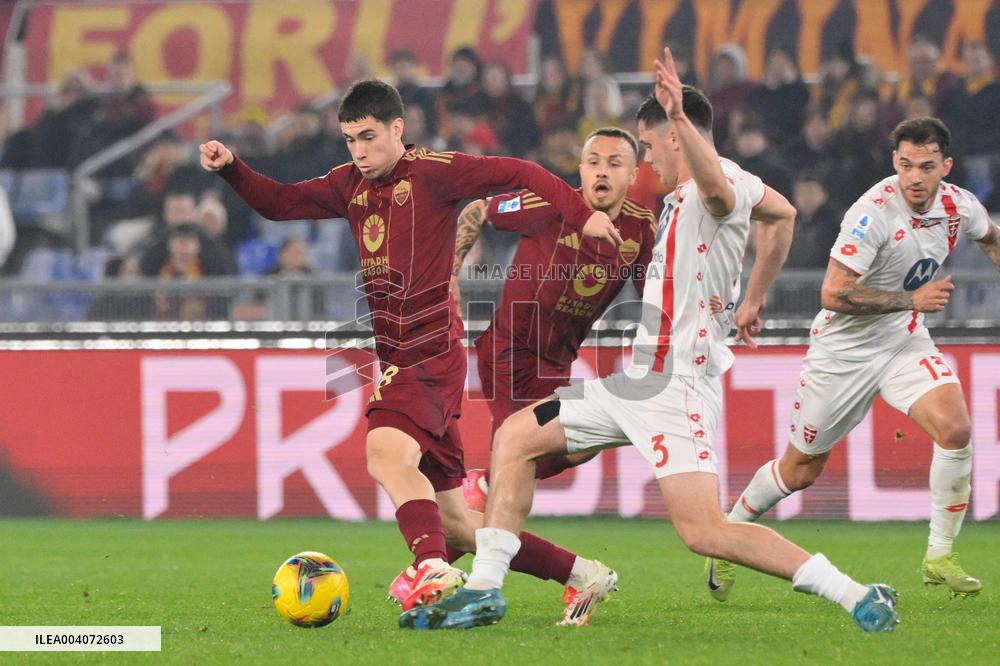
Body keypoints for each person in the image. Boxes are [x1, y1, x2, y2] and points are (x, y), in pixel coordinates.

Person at [401, 48, 898, 633]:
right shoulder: (703, 194)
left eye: (648, 145)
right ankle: (484, 589)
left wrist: (680, 120)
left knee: (704, 532)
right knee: (514, 439)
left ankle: (856, 593)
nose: (645, 162)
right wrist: (754, 297)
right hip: (637, 381)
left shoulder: (711, 191)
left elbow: (716, 189)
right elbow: (784, 215)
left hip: (677, 388)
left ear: (677, 140)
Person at [199, 79, 623, 618]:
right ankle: (583, 575)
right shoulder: (347, 184)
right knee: (457, 524)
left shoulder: (433, 172)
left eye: (369, 137)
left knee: (384, 452)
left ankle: (430, 566)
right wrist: (233, 166)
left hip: (427, 346)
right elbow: (280, 203)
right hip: (401, 352)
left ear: (398, 129)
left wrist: (580, 213)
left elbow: (520, 171)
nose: (358, 150)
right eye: (350, 139)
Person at [707, 116, 1000, 601]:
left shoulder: (958, 205)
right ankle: (729, 533)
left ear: (945, 167)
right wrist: (912, 300)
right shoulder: (872, 214)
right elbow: (832, 292)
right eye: (905, 165)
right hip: (843, 353)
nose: (915, 178)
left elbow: (989, 237)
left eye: (927, 167)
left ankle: (938, 555)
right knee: (800, 471)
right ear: (894, 163)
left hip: (903, 341)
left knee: (956, 430)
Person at [452, 129, 657, 625]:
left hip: (557, 362)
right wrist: (450, 281)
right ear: (580, 169)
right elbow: (474, 212)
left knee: (567, 451)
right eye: (592, 161)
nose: (601, 171)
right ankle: (453, 565)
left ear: (633, 174)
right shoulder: (547, 203)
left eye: (614, 162)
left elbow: (655, 299)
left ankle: (472, 525)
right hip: (507, 352)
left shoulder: (641, 231)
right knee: (517, 452)